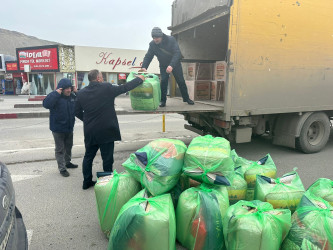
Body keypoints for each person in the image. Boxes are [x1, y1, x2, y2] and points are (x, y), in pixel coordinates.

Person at [75, 69, 145, 190]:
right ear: (98, 78)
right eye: (101, 77)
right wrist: (140, 79)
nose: (102, 79)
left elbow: (76, 111)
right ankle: (107, 184)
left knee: (88, 157)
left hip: (90, 131)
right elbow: (124, 88)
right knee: (107, 158)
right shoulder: (106, 88)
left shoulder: (81, 93)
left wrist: (87, 121)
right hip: (106, 130)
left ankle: (86, 182)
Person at [140, 27, 194, 107]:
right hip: (163, 65)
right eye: (154, 38)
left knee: (181, 81)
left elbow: (177, 53)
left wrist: (171, 65)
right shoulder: (152, 44)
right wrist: (144, 67)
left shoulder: (171, 40)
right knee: (164, 81)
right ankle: (163, 101)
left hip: (175, 64)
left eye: (157, 37)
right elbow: (148, 56)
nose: (155, 40)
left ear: (161, 36)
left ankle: (186, 98)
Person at [43, 78, 78, 177]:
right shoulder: (55, 96)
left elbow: (82, 101)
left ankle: (68, 162)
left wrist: (77, 92)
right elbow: (46, 104)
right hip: (58, 129)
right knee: (60, 149)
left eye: (70, 88)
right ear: (61, 89)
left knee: (69, 147)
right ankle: (62, 168)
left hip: (69, 127)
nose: (69, 90)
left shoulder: (72, 96)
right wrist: (56, 93)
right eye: (66, 88)